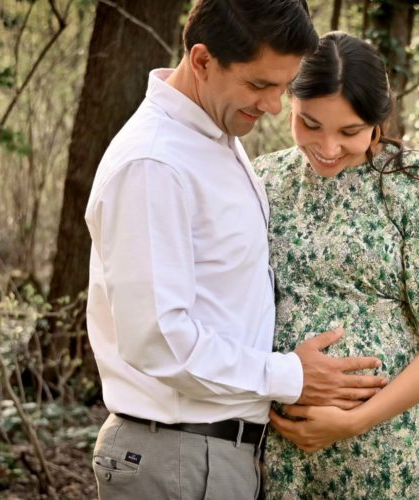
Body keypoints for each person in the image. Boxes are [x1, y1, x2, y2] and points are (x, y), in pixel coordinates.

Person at [83, 4, 388, 499]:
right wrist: (290, 376)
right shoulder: (154, 162)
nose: (271, 106)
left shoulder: (214, 136)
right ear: (202, 60)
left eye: (281, 88)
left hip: (213, 456)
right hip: (178, 458)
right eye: (258, 85)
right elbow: (160, 339)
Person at [253, 32, 419, 498]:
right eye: (309, 123)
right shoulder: (262, 180)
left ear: (378, 121)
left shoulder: (415, 188)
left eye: (349, 132)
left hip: (387, 457)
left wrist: (353, 422)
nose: (326, 146)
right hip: (276, 460)